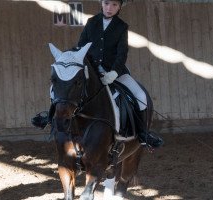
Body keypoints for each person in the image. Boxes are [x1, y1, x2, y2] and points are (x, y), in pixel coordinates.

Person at [32, 0, 163, 148]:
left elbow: (122, 54)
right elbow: (81, 47)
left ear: (119, 7)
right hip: (91, 71)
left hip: (114, 72)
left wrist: (113, 72)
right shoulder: (91, 22)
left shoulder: (121, 27)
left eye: (114, 5)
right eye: (107, 3)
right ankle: (49, 118)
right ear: (101, 4)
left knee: (139, 95)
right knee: (58, 87)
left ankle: (143, 133)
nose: (109, 8)